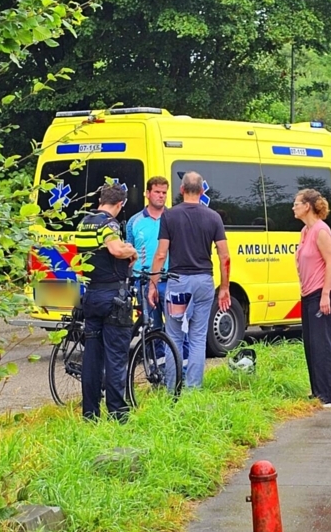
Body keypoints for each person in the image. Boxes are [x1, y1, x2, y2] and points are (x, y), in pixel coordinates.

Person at [149, 171, 231, 389]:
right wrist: (224, 287)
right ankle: (194, 389)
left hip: (178, 283)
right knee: (198, 337)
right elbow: (225, 256)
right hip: (204, 282)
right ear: (202, 191)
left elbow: (161, 254)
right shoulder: (214, 217)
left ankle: (172, 389)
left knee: (174, 336)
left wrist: (153, 284)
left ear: (181, 190)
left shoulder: (170, 216)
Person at [74, 183, 138, 421]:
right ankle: (118, 414)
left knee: (92, 358)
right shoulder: (109, 224)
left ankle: (90, 413)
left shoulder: (84, 223)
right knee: (116, 357)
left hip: (91, 295)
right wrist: (131, 250)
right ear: (120, 204)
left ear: (100, 200)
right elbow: (115, 249)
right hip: (113, 298)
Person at [126, 177, 190, 361]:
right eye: (157, 192)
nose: (161, 196)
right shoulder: (134, 221)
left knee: (178, 327)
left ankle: (182, 369)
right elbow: (129, 250)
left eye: (164, 193)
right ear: (147, 193)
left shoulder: (175, 218)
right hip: (144, 282)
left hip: (171, 281)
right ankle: (158, 368)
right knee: (152, 328)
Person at [293, 189, 331, 407]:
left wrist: (325, 295)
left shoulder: (321, 230)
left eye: (296, 203)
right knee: (311, 344)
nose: (293, 207)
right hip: (308, 293)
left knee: (323, 344)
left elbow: (330, 263)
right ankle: (318, 391)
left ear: (307, 206)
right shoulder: (305, 231)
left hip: (322, 293)